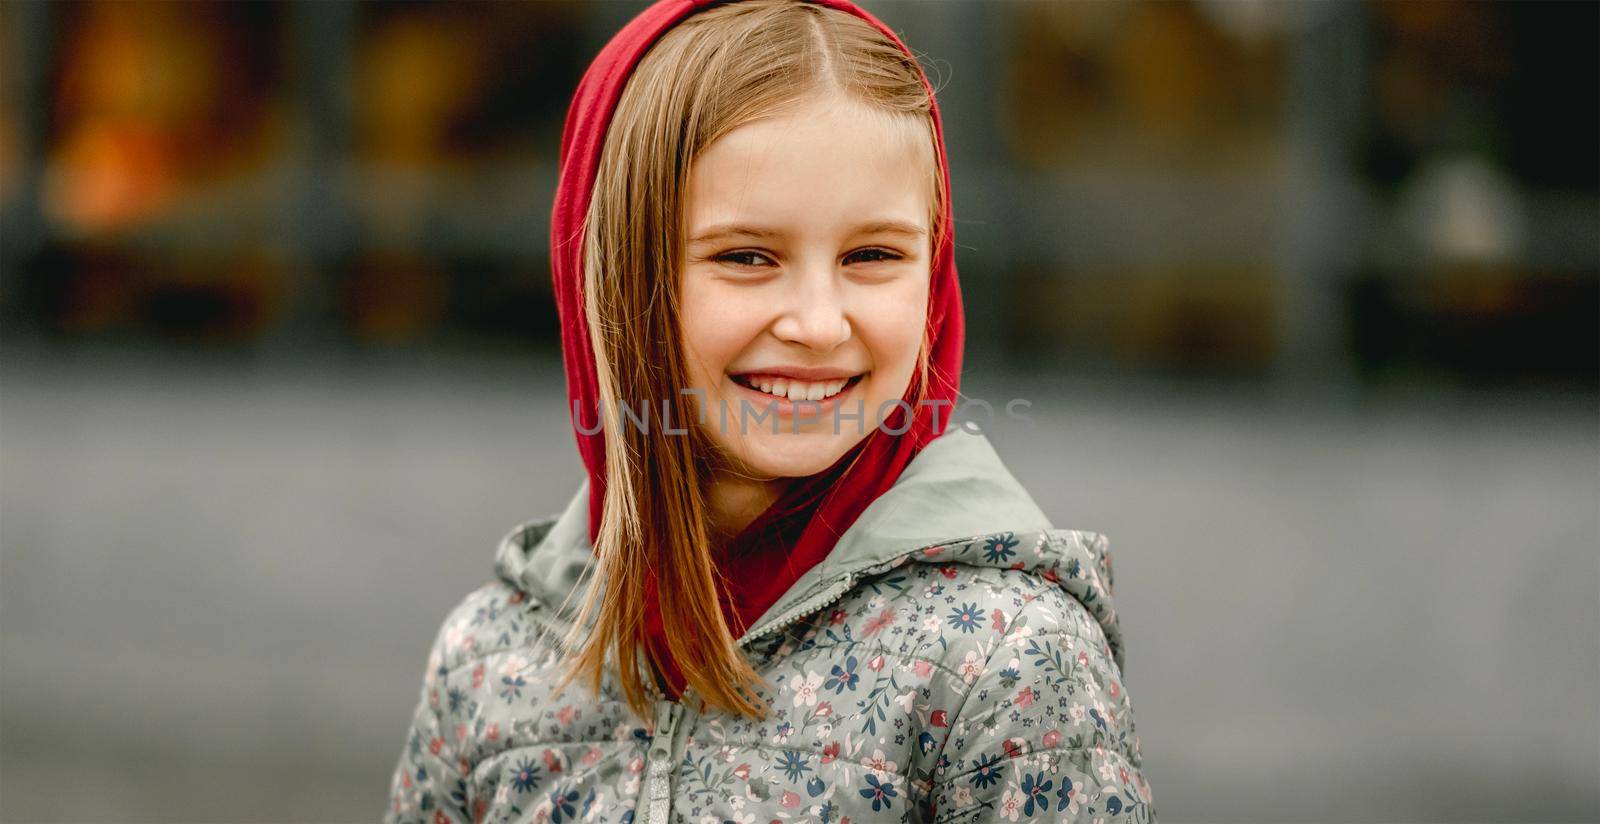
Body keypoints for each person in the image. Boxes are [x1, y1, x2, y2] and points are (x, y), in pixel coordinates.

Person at [383, 1, 1153, 821]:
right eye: (747, 256)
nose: (818, 324)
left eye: (873, 255)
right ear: (617, 284)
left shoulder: (1005, 660)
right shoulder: (492, 661)